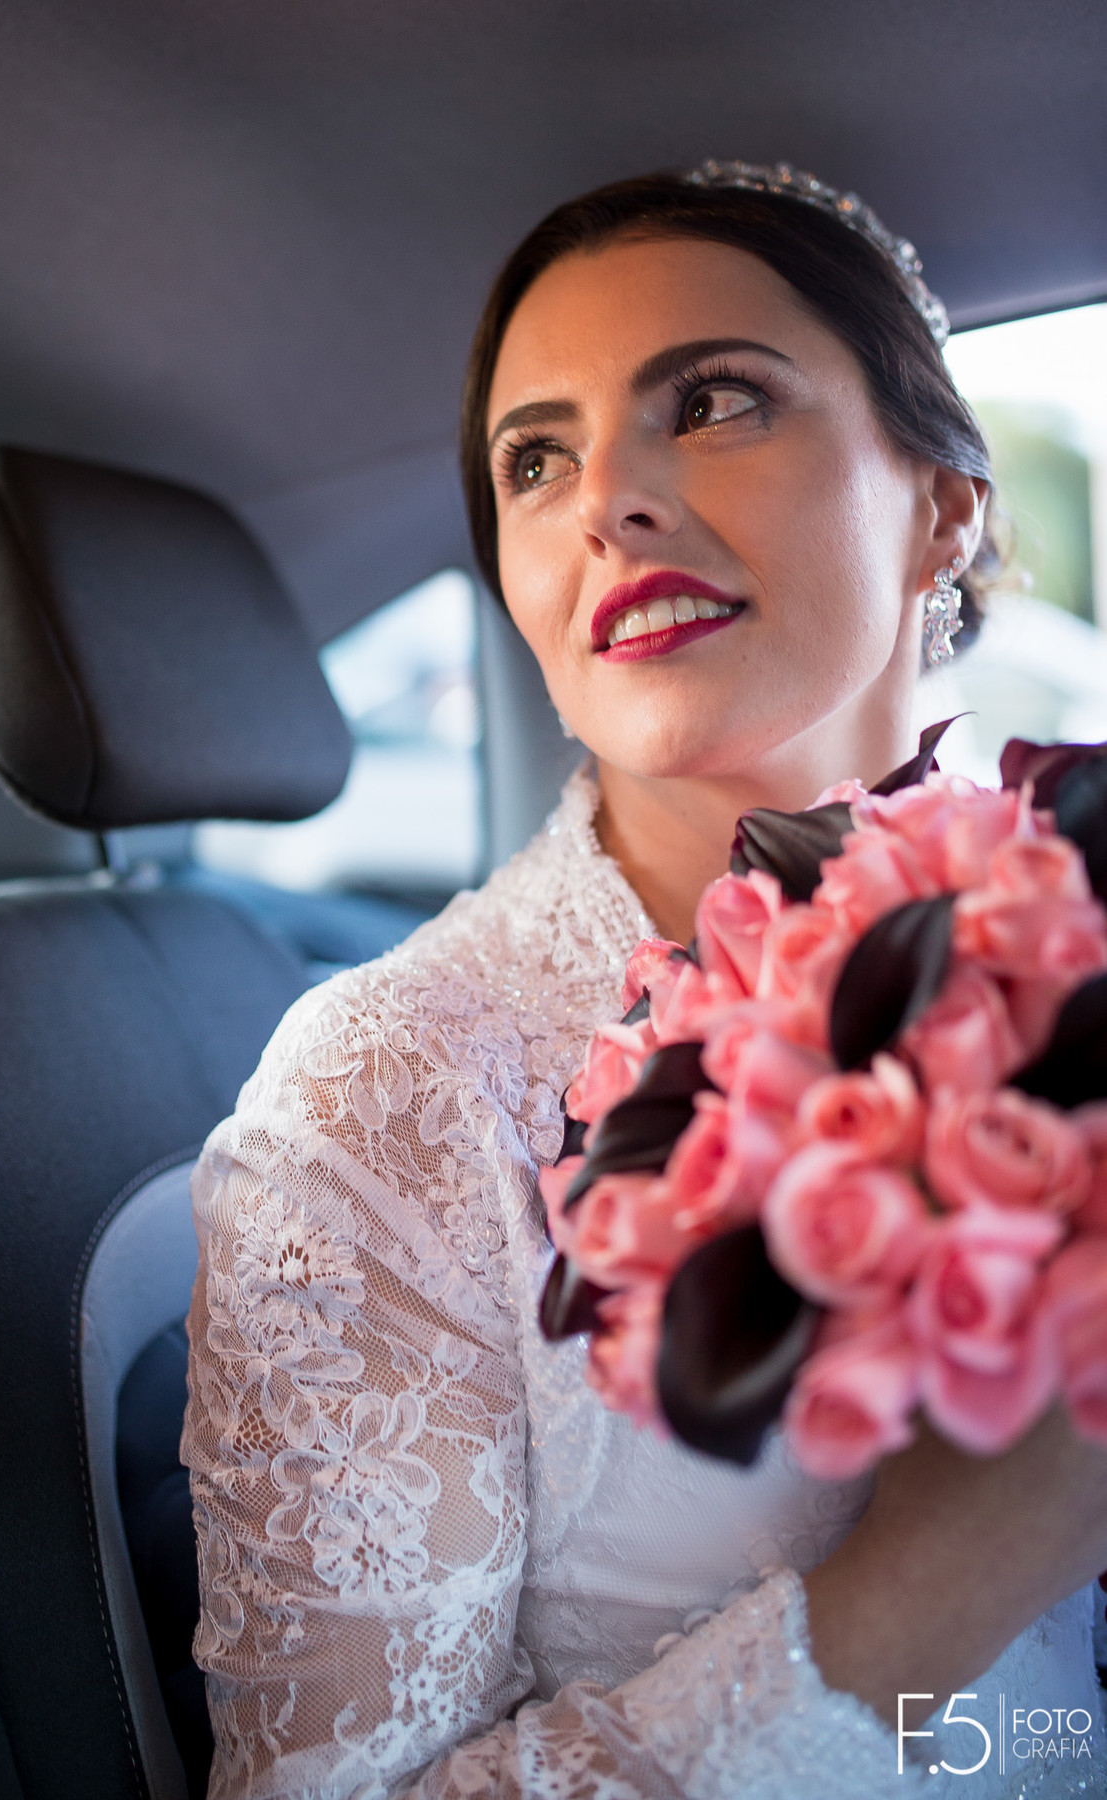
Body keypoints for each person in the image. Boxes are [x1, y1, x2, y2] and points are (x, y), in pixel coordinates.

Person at [182, 163, 1107, 1799]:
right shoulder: (384, 1093)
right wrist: (943, 1578)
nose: (609, 496)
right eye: (534, 459)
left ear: (944, 505)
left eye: (715, 400)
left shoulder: (1075, 913)